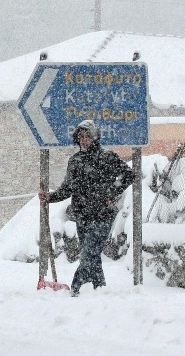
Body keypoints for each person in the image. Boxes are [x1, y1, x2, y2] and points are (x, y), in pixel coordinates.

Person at [38, 119, 134, 297]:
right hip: (82, 215)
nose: (84, 140)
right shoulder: (75, 161)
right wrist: (50, 197)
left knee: (88, 252)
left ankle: (75, 288)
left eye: (87, 136)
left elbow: (128, 175)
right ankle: (99, 289)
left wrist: (112, 192)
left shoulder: (107, 157)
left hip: (103, 215)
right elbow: (68, 188)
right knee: (93, 256)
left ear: (95, 138)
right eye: (81, 137)